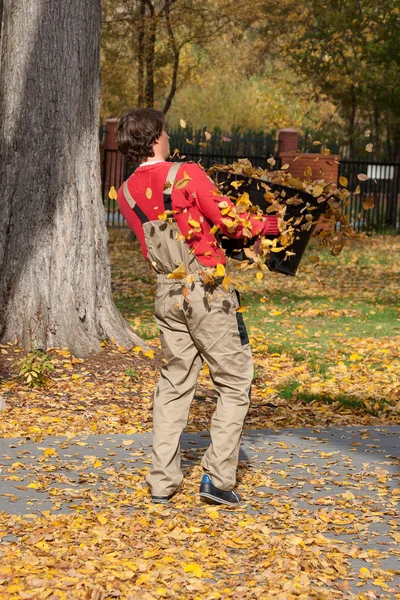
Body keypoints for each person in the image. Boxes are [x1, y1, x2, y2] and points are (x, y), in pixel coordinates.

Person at [116, 108, 279, 506]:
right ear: (156, 137)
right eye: (166, 133)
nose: (169, 138)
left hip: (166, 292)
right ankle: (218, 479)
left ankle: (161, 482)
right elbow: (232, 222)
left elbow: (151, 245)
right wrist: (268, 226)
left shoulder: (124, 194)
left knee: (173, 384)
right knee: (236, 380)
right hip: (206, 290)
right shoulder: (186, 173)